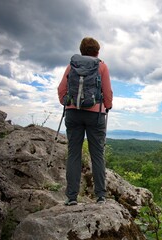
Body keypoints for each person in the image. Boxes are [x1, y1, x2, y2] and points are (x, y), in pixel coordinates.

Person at [57, 37, 113, 205]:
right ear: (97, 52)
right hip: (95, 114)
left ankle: (72, 197)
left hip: (73, 112)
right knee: (97, 154)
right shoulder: (101, 66)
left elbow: (61, 89)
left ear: (81, 51)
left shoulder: (71, 66)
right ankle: (101, 196)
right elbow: (107, 91)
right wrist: (107, 106)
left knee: (74, 153)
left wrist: (66, 102)